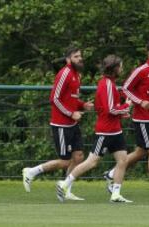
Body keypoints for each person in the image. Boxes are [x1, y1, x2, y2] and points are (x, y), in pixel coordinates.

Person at [103, 40, 149, 197]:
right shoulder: (141, 70)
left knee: (140, 152)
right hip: (142, 119)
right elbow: (126, 89)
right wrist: (140, 101)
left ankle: (111, 174)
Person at [56, 55, 132, 203]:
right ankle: (64, 184)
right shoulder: (107, 84)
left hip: (115, 130)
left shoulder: (110, 83)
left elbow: (108, 108)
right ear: (114, 68)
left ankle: (115, 194)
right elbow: (110, 109)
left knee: (123, 160)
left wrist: (122, 113)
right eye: (120, 66)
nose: (122, 69)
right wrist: (127, 106)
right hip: (105, 132)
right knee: (92, 162)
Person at [22, 46, 93, 200]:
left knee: (79, 157)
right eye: (76, 56)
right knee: (65, 161)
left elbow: (71, 98)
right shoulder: (64, 73)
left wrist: (82, 105)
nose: (79, 58)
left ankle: (66, 189)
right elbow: (54, 98)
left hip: (72, 124)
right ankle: (31, 172)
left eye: (80, 56)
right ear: (68, 59)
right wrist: (70, 113)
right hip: (61, 125)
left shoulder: (77, 75)